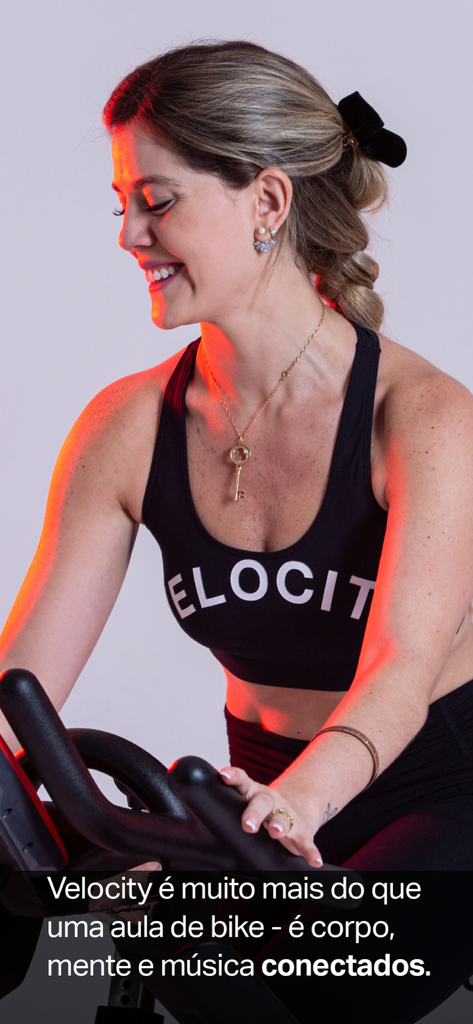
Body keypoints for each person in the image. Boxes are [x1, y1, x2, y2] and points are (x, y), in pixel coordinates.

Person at [0, 40, 472, 875]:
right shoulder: (126, 427)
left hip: (436, 783)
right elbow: (20, 691)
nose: (129, 236)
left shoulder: (424, 416)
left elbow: (402, 665)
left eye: (157, 200)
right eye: (122, 207)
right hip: (255, 791)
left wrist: (296, 804)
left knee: (324, 987)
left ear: (267, 200)